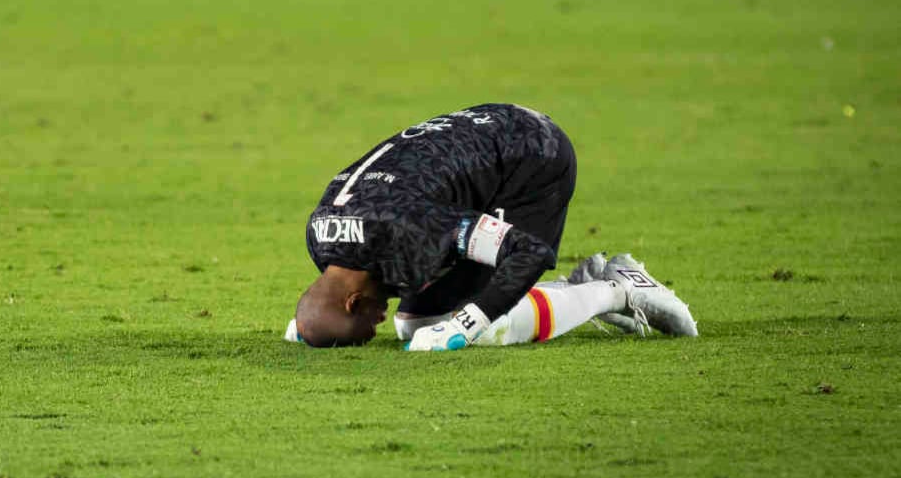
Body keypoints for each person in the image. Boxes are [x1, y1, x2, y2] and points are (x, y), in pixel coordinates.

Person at [286, 103, 698, 349]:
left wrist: (470, 324)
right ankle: (575, 290)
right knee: (418, 324)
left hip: (532, 158)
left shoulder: (410, 230)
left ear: (352, 302)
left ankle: (620, 290)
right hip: (480, 140)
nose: (373, 330)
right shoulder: (322, 239)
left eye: (363, 329)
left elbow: (529, 253)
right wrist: (312, 326)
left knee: (463, 326)